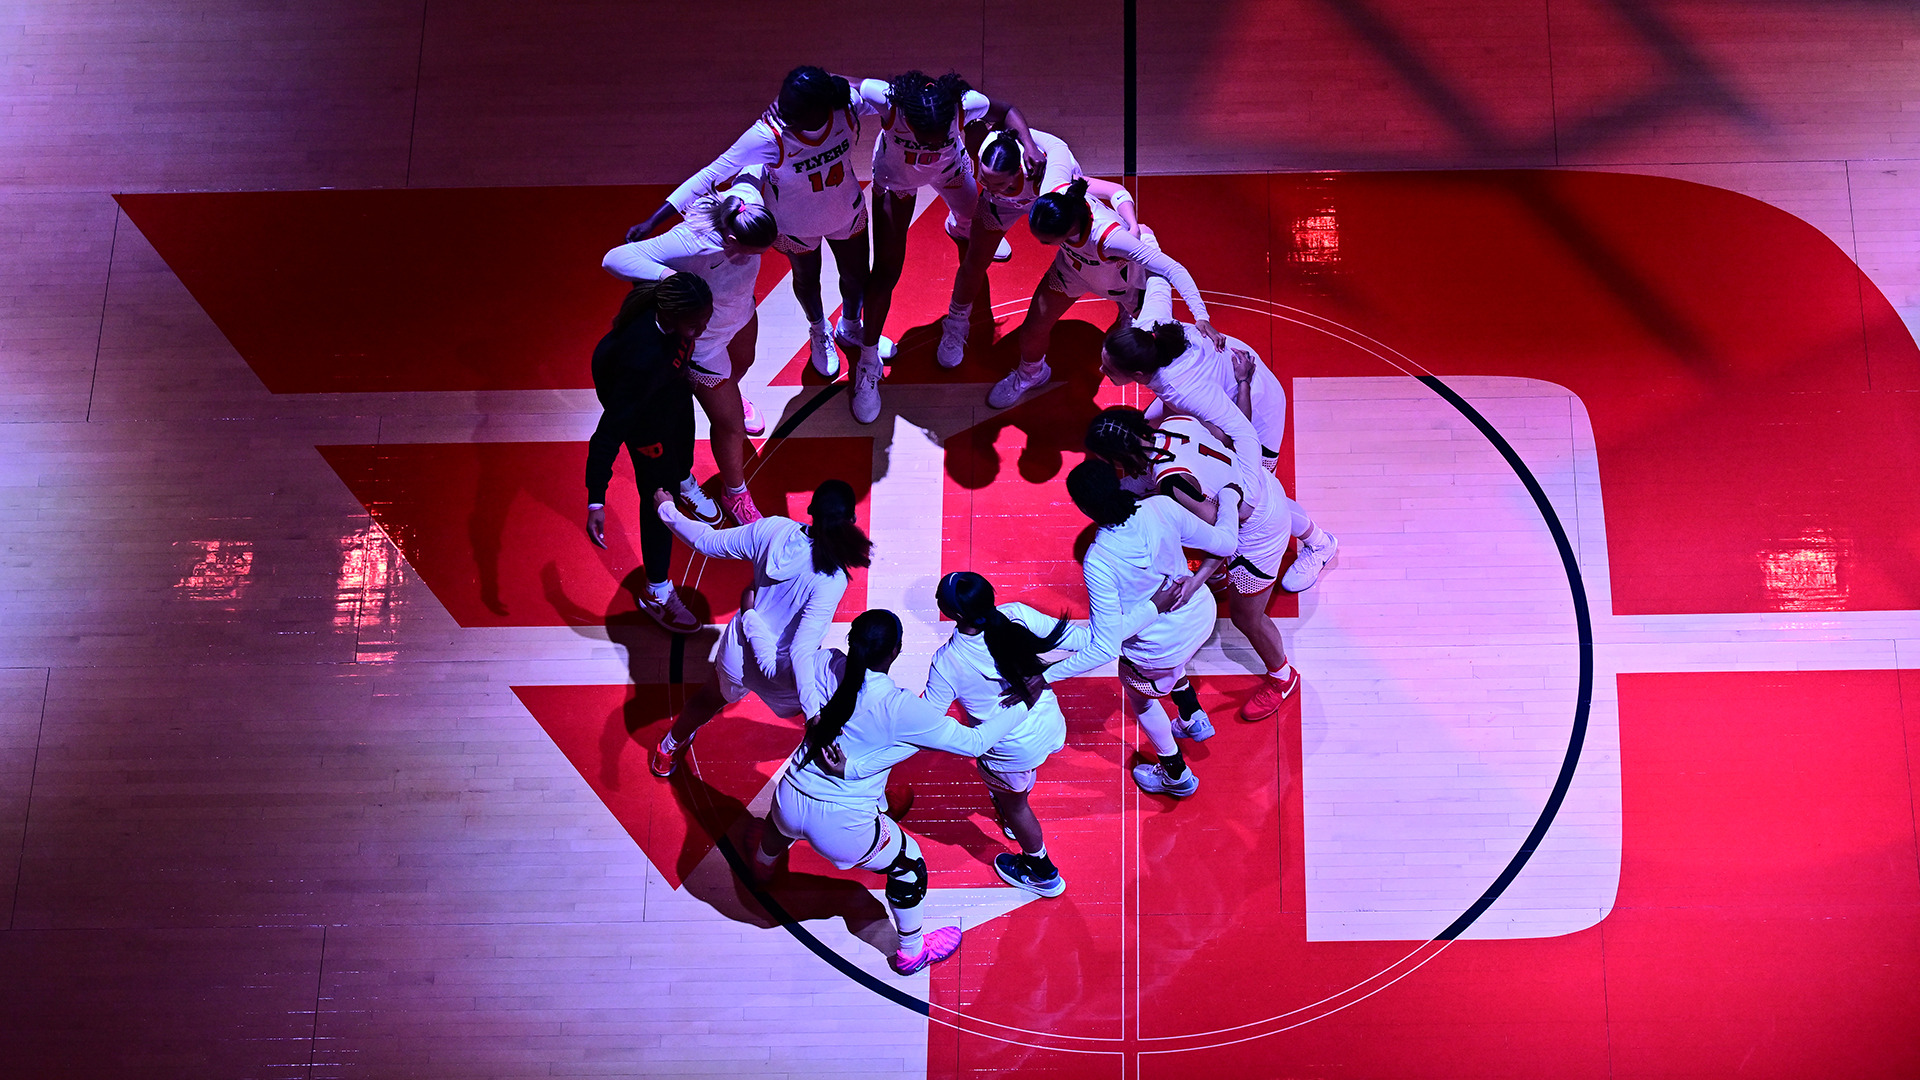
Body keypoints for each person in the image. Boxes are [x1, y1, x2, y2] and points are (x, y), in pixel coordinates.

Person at [754, 608, 1034, 975]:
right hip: (841, 828)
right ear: (895, 652)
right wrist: (1024, 703)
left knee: (779, 826)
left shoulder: (824, 662)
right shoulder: (900, 707)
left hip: (788, 798)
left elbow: (800, 654)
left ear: (851, 640)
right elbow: (975, 742)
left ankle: (761, 867)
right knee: (909, 866)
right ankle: (911, 952)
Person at [624, 66, 888, 380]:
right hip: (794, 225)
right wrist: (654, 219)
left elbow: (891, 98)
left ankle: (851, 326)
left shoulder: (847, 108)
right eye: (782, 102)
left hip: (846, 210)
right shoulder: (767, 135)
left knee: (857, 276)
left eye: (790, 109)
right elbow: (710, 174)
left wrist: (846, 80)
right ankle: (819, 330)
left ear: (820, 108)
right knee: (807, 281)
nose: (779, 111)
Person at [836, 572, 1085, 897]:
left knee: (1017, 806)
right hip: (1050, 723)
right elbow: (1086, 642)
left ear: (952, 614)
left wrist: (860, 764)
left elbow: (927, 725)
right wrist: (1046, 675)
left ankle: (1042, 873)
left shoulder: (947, 661)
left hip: (1009, 749)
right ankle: (1014, 800)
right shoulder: (1018, 614)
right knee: (1018, 782)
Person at [1085, 403, 1330, 723]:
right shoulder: (1177, 423)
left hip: (1257, 534)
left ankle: (1283, 678)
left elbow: (1223, 535)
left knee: (1247, 619)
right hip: (1265, 490)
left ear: (1117, 457)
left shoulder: (1171, 483)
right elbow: (1227, 438)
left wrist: (1197, 580)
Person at [1036, 460, 1242, 797]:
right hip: (1201, 617)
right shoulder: (1161, 507)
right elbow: (1225, 545)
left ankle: (1176, 775)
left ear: (1084, 508)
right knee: (1174, 664)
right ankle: (1191, 716)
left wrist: (1045, 677)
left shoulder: (1099, 560)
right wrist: (1230, 501)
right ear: (1118, 483)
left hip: (1158, 648)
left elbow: (1107, 643)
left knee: (1143, 700)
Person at [848, 71, 1042, 424]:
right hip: (896, 183)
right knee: (888, 268)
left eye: (940, 138)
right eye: (926, 139)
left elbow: (1008, 109)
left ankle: (958, 225)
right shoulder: (887, 99)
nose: (932, 144)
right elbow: (841, 81)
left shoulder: (965, 104)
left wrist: (1028, 144)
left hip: (952, 172)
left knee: (973, 221)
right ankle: (868, 361)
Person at [646, 479, 871, 777]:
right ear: (852, 520)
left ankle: (668, 748)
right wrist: (813, 714)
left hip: (738, 655)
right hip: (783, 675)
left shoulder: (772, 530)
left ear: (810, 510)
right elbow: (801, 651)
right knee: (844, 699)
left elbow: (707, 542)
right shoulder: (832, 579)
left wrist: (667, 509)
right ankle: (858, 779)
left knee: (709, 698)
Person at [603, 183, 776, 526]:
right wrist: (672, 277)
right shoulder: (692, 242)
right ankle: (735, 493)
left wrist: (656, 215)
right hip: (706, 342)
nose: (757, 257)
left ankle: (733, 395)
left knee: (743, 365)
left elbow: (721, 167)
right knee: (730, 426)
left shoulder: (748, 199)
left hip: (741, 314)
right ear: (728, 239)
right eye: (750, 250)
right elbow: (615, 258)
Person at [987, 178, 1223, 411]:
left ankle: (1198, 405)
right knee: (1033, 328)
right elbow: (1063, 151)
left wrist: (1201, 316)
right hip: (1072, 271)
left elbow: (1173, 268)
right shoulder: (1057, 191)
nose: (1039, 243)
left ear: (1068, 229)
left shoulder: (1110, 239)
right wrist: (1028, 142)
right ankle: (1031, 374)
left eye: (1046, 240)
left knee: (1156, 356)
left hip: (1127, 284)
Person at [935, 129, 1138, 370]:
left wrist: (1133, 229)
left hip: (1045, 207)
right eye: (984, 180)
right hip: (1001, 207)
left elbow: (1106, 184)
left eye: (998, 182)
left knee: (1103, 263)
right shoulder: (985, 153)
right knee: (974, 260)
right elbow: (1002, 115)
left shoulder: (1052, 177)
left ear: (1018, 170)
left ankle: (1127, 308)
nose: (988, 187)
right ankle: (956, 323)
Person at [583, 273, 714, 634]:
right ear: (670, 318)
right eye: (695, 325)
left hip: (669, 393)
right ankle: (656, 591)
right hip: (644, 425)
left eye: (706, 320)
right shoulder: (641, 360)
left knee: (683, 450)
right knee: (658, 499)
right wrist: (597, 499)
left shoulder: (672, 313)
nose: (702, 330)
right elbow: (607, 435)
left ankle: (683, 480)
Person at [1100, 276, 1289, 477]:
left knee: (1256, 477)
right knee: (1143, 426)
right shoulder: (1149, 326)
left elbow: (1237, 434)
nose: (1101, 370)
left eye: (1109, 369)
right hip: (1225, 374)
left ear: (1137, 374)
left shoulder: (1184, 391)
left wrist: (1243, 382)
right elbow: (1159, 273)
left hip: (1257, 400)